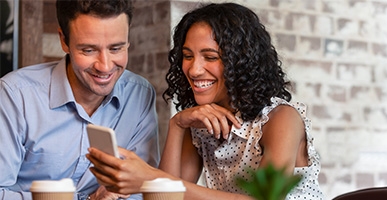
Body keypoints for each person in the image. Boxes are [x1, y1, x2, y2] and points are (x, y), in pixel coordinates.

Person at [87, 2, 324, 200]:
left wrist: (150, 177)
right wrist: (177, 125)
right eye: (188, 56)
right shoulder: (201, 125)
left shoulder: (281, 118)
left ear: (242, 62)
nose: (194, 69)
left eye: (210, 57)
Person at [0, 0, 160, 199]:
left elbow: (142, 190)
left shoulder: (139, 95)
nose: (105, 66)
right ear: (64, 41)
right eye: (89, 50)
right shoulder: (16, 95)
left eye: (116, 49)